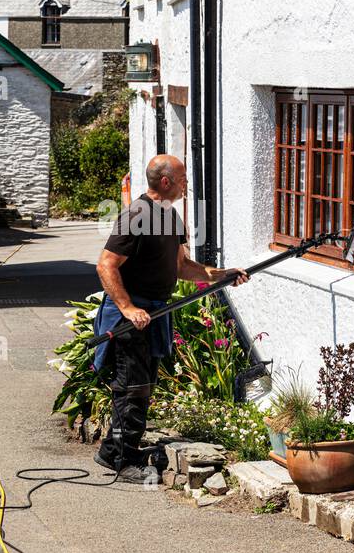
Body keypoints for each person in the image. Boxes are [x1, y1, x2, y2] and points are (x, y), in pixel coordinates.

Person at [92, 155, 249, 483]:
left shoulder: (170, 218)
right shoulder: (136, 216)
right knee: (132, 387)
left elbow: (182, 266)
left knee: (143, 386)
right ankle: (120, 458)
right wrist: (127, 308)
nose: (186, 184)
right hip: (130, 317)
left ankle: (115, 449)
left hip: (153, 313)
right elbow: (106, 265)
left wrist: (222, 275)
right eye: (182, 178)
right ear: (165, 182)